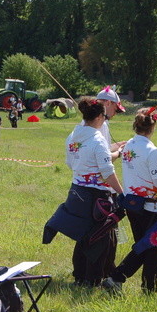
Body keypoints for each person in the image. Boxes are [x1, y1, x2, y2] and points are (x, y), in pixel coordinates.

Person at [43, 98, 124, 287]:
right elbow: (107, 172)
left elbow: (71, 163)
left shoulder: (73, 136)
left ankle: (80, 274)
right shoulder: (97, 139)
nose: (105, 119)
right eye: (104, 116)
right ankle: (92, 279)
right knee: (100, 238)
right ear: (97, 117)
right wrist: (122, 193)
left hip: (76, 191)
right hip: (96, 196)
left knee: (83, 235)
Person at [101, 107, 157, 294]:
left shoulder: (129, 146)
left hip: (132, 205)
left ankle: (127, 282)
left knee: (145, 245)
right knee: (153, 246)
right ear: (153, 126)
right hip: (149, 207)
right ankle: (135, 284)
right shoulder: (151, 150)